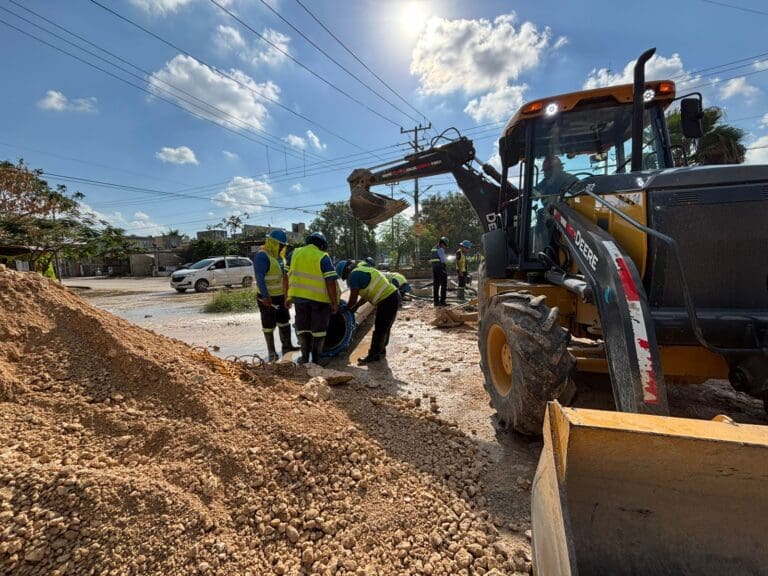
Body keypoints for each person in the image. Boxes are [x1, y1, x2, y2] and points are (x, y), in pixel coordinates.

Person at [286, 232, 339, 364]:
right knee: (319, 331)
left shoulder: (294, 254)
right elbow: (330, 281)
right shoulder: (323, 256)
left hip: (299, 299)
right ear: (322, 245)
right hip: (319, 301)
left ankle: (304, 358)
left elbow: (285, 276)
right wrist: (334, 302)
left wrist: (287, 297)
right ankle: (316, 360)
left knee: (303, 328)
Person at [336, 259, 398, 364]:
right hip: (392, 297)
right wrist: (355, 307)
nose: (346, 279)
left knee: (380, 328)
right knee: (385, 327)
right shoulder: (362, 270)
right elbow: (365, 297)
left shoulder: (353, 276)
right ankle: (380, 351)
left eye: (345, 276)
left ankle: (373, 355)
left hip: (387, 299)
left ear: (347, 270)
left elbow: (353, 297)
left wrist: (346, 308)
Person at [253, 229, 298, 362]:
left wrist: (287, 297)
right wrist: (265, 296)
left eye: (284, 246)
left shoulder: (279, 258)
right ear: (273, 243)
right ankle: (272, 352)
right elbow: (259, 277)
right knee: (268, 325)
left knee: (284, 321)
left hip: (280, 296)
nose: (282, 248)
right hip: (267, 298)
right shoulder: (262, 256)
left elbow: (284, 278)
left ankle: (287, 346)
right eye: (281, 245)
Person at [430, 236, 449, 306]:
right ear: (442, 243)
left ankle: (436, 302)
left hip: (434, 268)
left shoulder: (433, 248)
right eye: (445, 245)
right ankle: (442, 302)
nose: (445, 247)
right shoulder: (440, 249)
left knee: (436, 285)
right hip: (441, 268)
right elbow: (443, 260)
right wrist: (446, 263)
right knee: (444, 285)